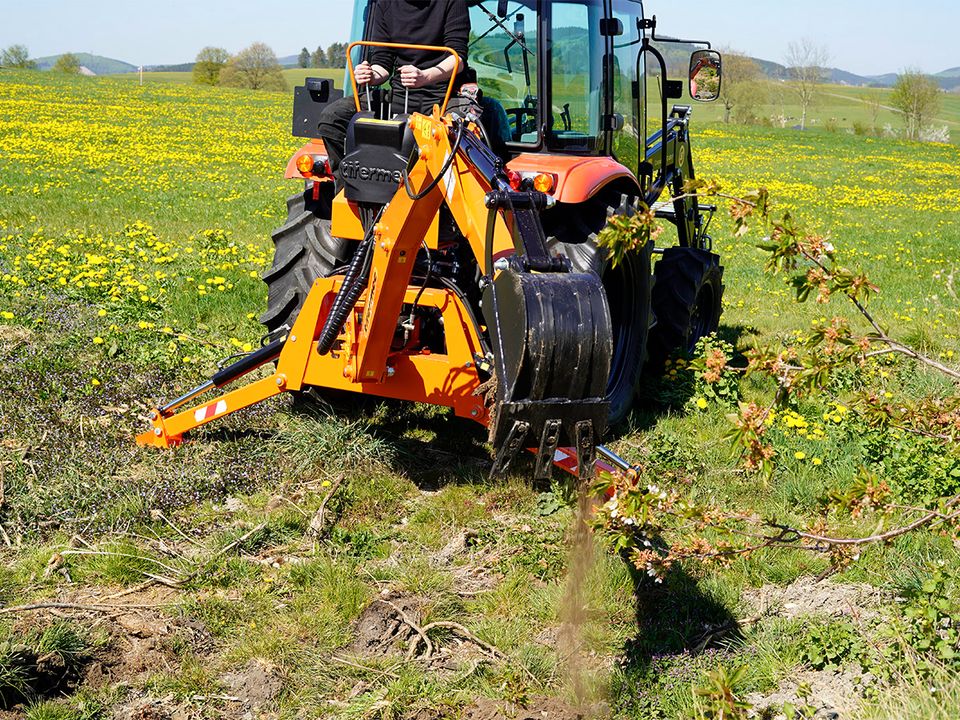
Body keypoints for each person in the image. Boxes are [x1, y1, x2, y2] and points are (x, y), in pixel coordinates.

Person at [317, 0, 472, 179]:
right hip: (399, 97)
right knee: (332, 118)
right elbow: (382, 62)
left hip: (444, 98)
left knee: (465, 134)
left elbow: (458, 58)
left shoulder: (452, 2)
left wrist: (425, 77)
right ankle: (349, 192)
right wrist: (370, 74)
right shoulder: (385, 4)